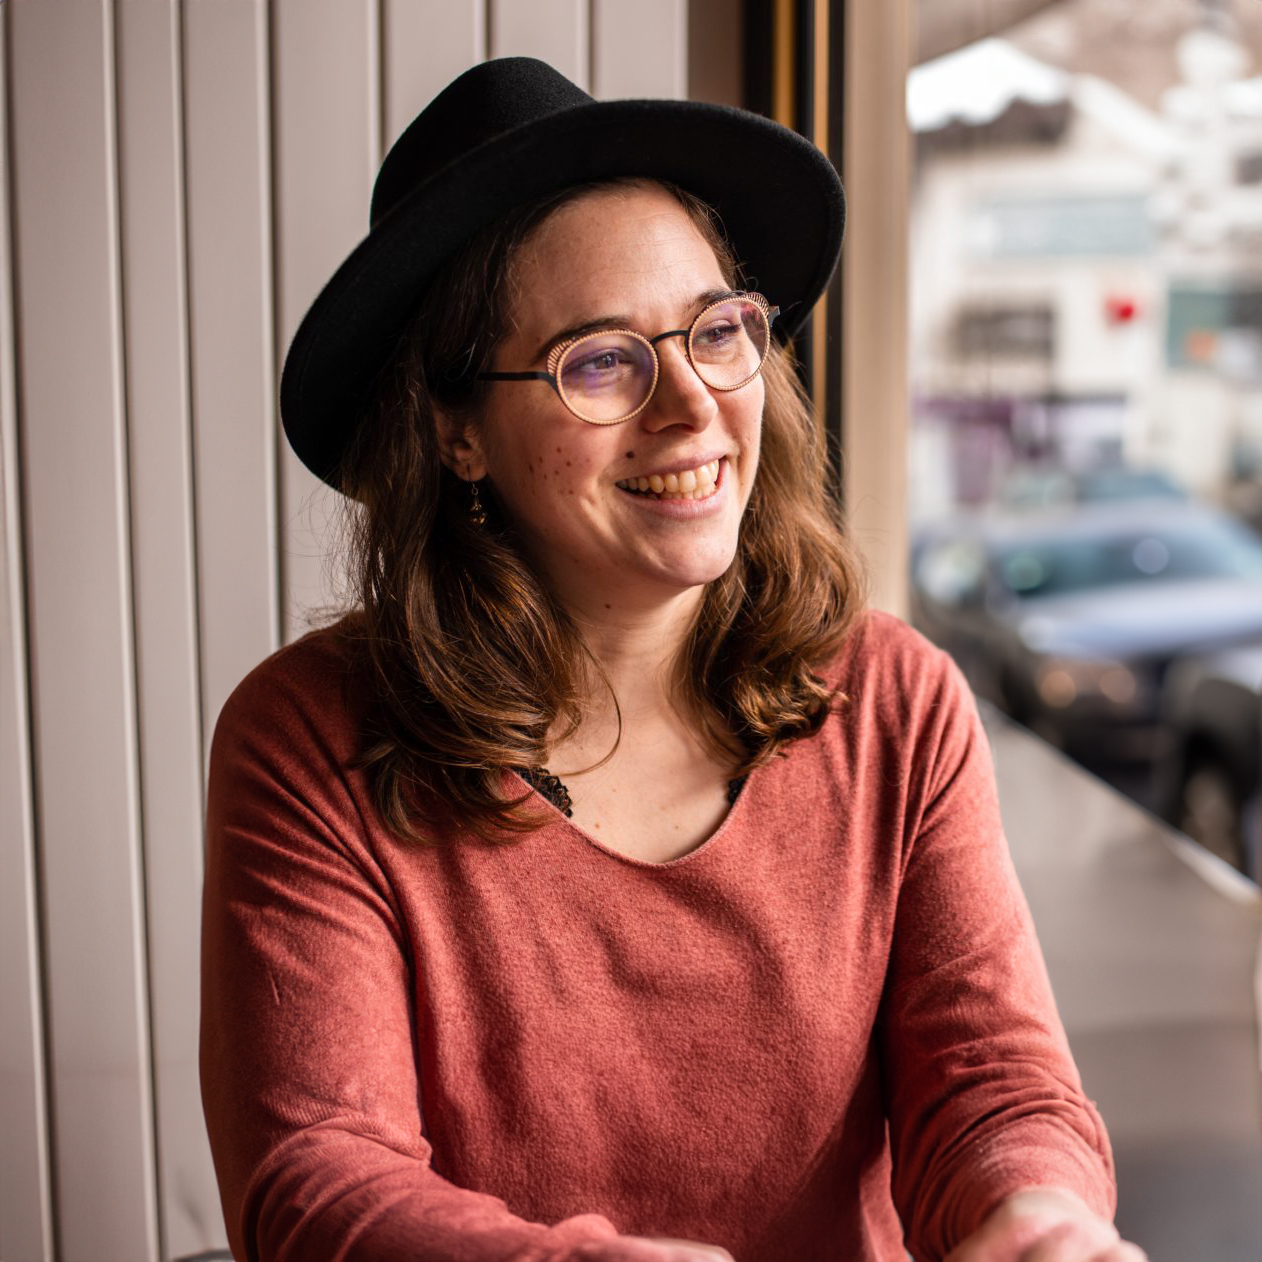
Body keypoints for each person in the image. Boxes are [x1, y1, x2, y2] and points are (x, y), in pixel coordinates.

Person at [200, 57, 1144, 1262]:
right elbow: (318, 1175)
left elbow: (992, 1081)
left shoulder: (893, 698)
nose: (693, 404)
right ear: (455, 432)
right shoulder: (310, 734)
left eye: (714, 331)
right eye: (600, 359)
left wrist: (1034, 1210)